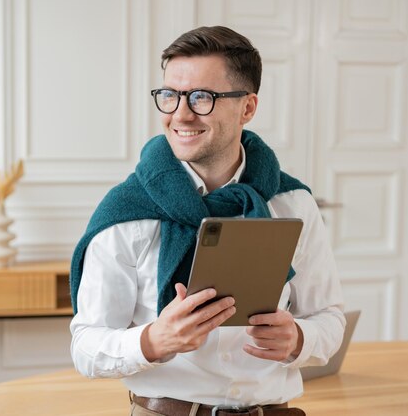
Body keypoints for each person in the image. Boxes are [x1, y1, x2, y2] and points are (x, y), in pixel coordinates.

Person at [69, 26, 345, 416]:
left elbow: (329, 320)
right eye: (170, 95)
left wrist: (299, 338)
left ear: (247, 107)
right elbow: (85, 345)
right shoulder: (126, 213)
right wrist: (153, 340)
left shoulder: (293, 202)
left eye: (202, 97)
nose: (180, 114)